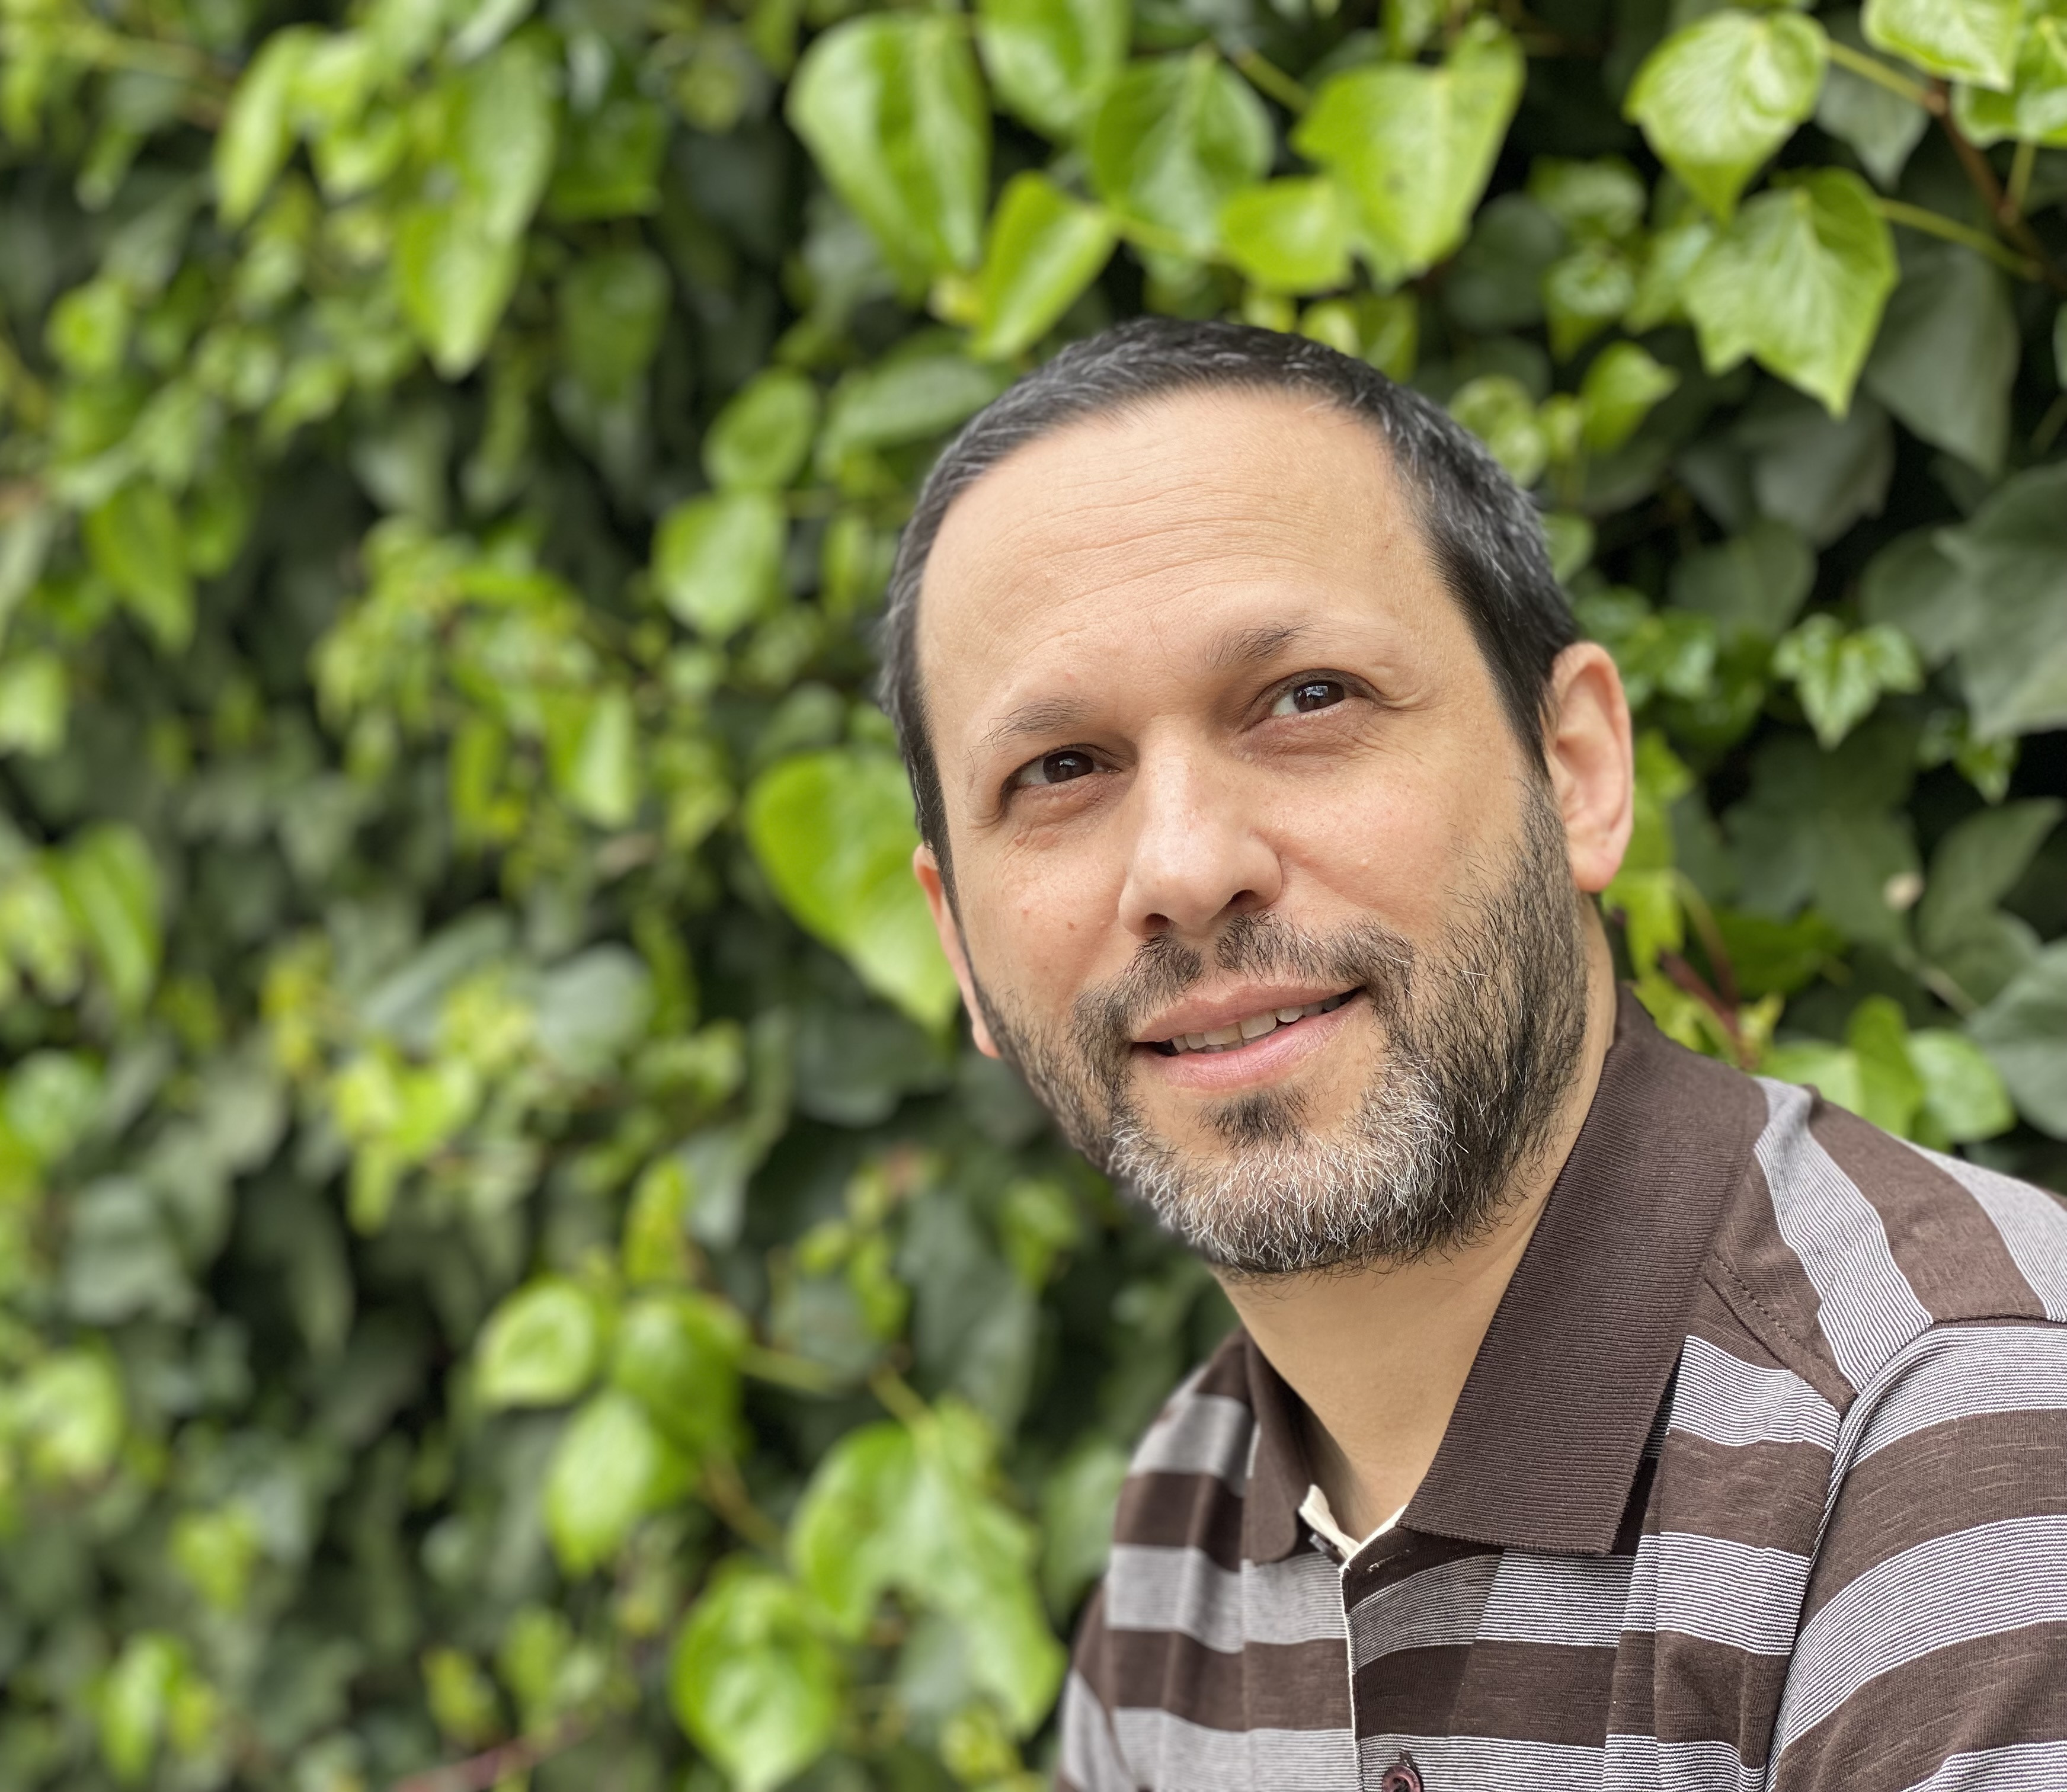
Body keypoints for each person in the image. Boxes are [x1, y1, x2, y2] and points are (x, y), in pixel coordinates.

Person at [882, 317, 2067, 1792]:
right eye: (1059, 772)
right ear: (962, 956)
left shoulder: (1960, 1442)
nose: (1185, 868)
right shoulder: (1180, 1532)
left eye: (1308, 698)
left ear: (1574, 770)